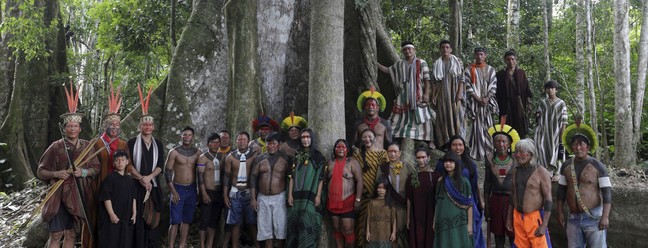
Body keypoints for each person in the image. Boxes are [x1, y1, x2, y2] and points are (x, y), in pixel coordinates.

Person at [37, 84, 100, 248]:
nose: (72, 129)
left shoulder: (87, 146)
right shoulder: (56, 146)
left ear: (80, 128)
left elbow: (96, 168)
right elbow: (41, 171)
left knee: (71, 233)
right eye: (69, 126)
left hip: (78, 196)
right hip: (58, 196)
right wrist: (57, 173)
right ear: (64, 128)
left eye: (75, 126)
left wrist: (83, 172)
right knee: (56, 234)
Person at [85, 86, 129, 248]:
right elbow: (88, 164)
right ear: (106, 125)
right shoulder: (96, 143)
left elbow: (128, 166)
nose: (114, 127)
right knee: (97, 217)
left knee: (117, 218)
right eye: (111, 124)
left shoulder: (123, 144)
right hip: (99, 185)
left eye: (117, 124)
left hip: (118, 188)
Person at [556, 122, 611, 248]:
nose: (578, 147)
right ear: (571, 147)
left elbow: (607, 192)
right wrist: (559, 211)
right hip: (573, 218)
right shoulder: (566, 166)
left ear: (588, 146)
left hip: (594, 217)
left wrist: (605, 217)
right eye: (575, 144)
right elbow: (561, 190)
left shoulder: (598, 166)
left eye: (581, 144)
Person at [378, 41, 434, 148]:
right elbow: (388, 70)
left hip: (418, 95)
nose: (407, 51)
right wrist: (374, 63)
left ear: (414, 50)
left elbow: (427, 79)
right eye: (405, 50)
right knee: (397, 118)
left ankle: (428, 140)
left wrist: (426, 94)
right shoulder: (400, 64)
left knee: (423, 117)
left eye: (409, 49)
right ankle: (399, 136)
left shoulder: (421, 62)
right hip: (403, 96)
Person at [128, 84, 164, 248]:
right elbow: (128, 165)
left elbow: (160, 165)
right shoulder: (132, 143)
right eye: (144, 125)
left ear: (153, 127)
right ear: (140, 126)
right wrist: (142, 178)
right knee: (137, 219)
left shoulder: (158, 144)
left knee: (152, 218)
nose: (147, 127)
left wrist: (149, 178)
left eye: (150, 125)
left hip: (153, 186)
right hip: (136, 186)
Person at [435, 135, 486, 248]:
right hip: (448, 203)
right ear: (449, 147)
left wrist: (481, 202)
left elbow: (475, 183)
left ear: (464, 147)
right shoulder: (442, 163)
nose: (457, 147)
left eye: (460, 145)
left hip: (469, 202)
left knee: (471, 232)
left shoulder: (470, 164)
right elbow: (439, 182)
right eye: (454, 145)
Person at [506, 139, 553, 248]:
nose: (518, 155)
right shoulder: (515, 170)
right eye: (516, 152)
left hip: (534, 218)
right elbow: (512, 195)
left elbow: (548, 200)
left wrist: (544, 225)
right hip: (518, 216)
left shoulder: (541, 172)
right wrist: (509, 218)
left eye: (522, 152)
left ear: (531, 154)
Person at [286, 128, 326, 248]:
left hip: (311, 196)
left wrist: (318, 195)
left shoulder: (318, 157)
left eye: (308, 137)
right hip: (296, 197)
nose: (305, 140)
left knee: (308, 223)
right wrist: (289, 195)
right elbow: (291, 177)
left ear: (312, 139)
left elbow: (321, 178)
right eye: (303, 137)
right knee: (294, 225)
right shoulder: (296, 155)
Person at [250, 132, 291, 248]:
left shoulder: (285, 159)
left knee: (281, 227)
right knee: (265, 228)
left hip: (280, 197)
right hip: (262, 198)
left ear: (279, 145)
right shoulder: (259, 159)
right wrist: (253, 198)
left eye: (274, 143)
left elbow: (291, 178)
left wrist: (290, 196)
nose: (271, 146)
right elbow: (253, 178)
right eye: (268, 143)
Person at [484, 123, 520, 248]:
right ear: (493, 144)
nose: (501, 144)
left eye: (504, 141)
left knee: (513, 234)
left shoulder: (516, 160)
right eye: (498, 141)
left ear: (509, 143)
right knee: (498, 235)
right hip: (496, 200)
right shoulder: (489, 159)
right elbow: (487, 183)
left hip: (512, 201)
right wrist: (486, 205)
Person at [165, 126, 201, 248]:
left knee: (187, 220)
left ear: (193, 137)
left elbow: (203, 171)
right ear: (181, 136)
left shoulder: (197, 153)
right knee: (175, 221)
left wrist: (201, 191)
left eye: (189, 135)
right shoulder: (174, 152)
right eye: (184, 135)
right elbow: (167, 172)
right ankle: (170, 246)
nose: (187, 137)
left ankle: (182, 245)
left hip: (191, 189)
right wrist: (173, 191)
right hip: (177, 188)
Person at [352, 129, 389, 247]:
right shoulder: (356, 156)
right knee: (361, 225)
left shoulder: (382, 153)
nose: (367, 139)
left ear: (375, 138)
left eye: (369, 136)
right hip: (363, 196)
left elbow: (385, 174)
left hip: (378, 195)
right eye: (364, 137)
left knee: (377, 225)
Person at [223, 131, 259, 248]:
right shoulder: (230, 157)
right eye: (239, 139)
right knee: (235, 223)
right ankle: (234, 246)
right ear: (236, 141)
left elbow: (256, 176)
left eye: (244, 139)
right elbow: (227, 177)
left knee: (252, 222)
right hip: (235, 193)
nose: (242, 142)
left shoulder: (254, 155)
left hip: (249, 193)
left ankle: (257, 245)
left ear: (248, 141)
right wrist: (225, 195)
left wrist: (255, 196)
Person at [464, 47, 499, 161]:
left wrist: (487, 98)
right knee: (476, 126)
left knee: (488, 125)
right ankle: (477, 150)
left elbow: (493, 85)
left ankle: (489, 149)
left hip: (487, 102)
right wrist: (477, 98)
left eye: (482, 54)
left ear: (485, 56)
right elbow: (467, 85)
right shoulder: (469, 69)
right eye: (478, 54)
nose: (480, 56)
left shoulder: (490, 69)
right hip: (475, 102)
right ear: (474, 55)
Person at [326, 139, 363, 248]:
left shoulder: (352, 162)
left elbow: (360, 181)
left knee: (348, 230)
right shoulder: (329, 163)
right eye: (338, 147)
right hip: (332, 202)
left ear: (347, 149)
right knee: (337, 229)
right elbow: (324, 180)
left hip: (348, 201)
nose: (341, 149)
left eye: (343, 147)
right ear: (334, 149)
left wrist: (358, 199)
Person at [434, 151, 474, 248]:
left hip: (459, 224)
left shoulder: (464, 182)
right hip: (442, 224)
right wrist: (434, 222)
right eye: (446, 161)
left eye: (451, 161)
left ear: (456, 163)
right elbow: (437, 203)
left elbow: (469, 204)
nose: (448, 164)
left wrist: (469, 225)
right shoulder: (440, 182)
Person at [376, 143, 413, 247]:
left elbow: (415, 185)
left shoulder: (407, 167)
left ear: (400, 153)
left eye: (395, 151)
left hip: (403, 206)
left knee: (401, 231)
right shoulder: (383, 168)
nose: (392, 154)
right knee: (389, 232)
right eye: (390, 151)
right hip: (388, 206)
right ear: (387, 153)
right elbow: (378, 185)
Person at [97, 150, 136, 248]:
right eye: (117, 160)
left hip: (126, 216)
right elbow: (106, 197)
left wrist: (134, 213)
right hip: (114, 217)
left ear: (127, 162)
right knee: (112, 241)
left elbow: (133, 198)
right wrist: (111, 214)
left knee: (124, 242)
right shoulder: (110, 178)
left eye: (122, 160)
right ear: (113, 163)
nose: (120, 163)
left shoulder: (130, 180)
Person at [431, 40, 465, 147]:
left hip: (454, 94)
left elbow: (462, 78)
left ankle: (460, 142)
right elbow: (434, 82)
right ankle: (446, 143)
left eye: (447, 47)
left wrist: (460, 92)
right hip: (442, 95)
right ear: (440, 49)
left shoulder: (457, 61)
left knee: (457, 117)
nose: (445, 49)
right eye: (443, 47)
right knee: (443, 117)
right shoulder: (437, 63)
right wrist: (434, 96)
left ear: (450, 49)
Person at [406, 147, 441, 248]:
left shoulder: (436, 176)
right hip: (416, 214)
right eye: (418, 158)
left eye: (423, 157)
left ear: (429, 158)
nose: (421, 160)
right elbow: (409, 198)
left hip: (431, 214)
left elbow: (439, 199)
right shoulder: (412, 177)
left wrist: (436, 218)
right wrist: (408, 218)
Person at [197, 133, 225, 248]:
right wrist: (203, 193)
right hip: (207, 192)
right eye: (213, 142)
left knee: (214, 222)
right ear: (208, 144)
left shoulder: (222, 157)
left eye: (217, 142)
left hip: (218, 193)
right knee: (204, 221)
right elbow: (200, 177)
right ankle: (202, 245)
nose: (215, 145)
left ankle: (209, 245)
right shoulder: (202, 157)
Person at [495, 50, 532, 138]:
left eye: (512, 59)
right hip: (505, 106)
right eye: (508, 60)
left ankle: (520, 147)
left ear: (516, 60)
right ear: (505, 60)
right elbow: (497, 92)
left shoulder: (521, 73)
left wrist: (529, 103)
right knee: (505, 128)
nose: (510, 62)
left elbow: (526, 89)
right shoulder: (500, 75)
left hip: (519, 104)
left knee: (520, 126)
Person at [534, 80, 567, 173]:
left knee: (556, 150)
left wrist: (562, 135)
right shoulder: (543, 103)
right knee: (541, 149)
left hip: (556, 131)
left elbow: (564, 120)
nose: (550, 90)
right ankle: (544, 172)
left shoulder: (561, 103)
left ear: (556, 90)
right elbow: (538, 118)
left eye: (552, 88)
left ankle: (556, 173)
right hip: (543, 131)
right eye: (548, 88)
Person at [366, 180, 396, 248]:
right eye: (379, 188)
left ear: (387, 190)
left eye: (383, 188)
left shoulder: (390, 203)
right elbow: (368, 218)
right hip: (374, 234)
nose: (381, 190)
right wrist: (368, 232)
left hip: (386, 234)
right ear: (376, 189)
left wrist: (393, 233)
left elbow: (393, 219)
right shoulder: (372, 202)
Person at [217, 129, 234, 248]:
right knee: (213, 218)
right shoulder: (212, 152)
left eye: (226, 138)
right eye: (222, 138)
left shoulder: (234, 153)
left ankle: (226, 244)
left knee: (229, 218)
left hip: (229, 190)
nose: (224, 140)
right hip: (214, 190)